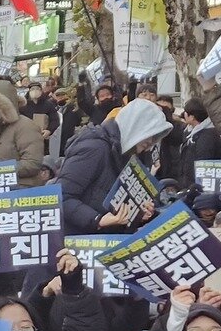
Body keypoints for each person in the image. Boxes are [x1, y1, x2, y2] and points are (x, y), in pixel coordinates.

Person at [59, 99, 170, 235]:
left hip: (104, 240)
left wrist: (139, 214)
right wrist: (97, 219)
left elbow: (116, 209)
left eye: (155, 137)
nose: (151, 142)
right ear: (135, 126)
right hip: (79, 243)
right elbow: (61, 196)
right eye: (149, 134)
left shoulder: (126, 153)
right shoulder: (95, 148)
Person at [20, 80, 61, 152]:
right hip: (26, 139)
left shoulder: (48, 104)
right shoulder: (23, 105)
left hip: (42, 139)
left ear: (41, 91)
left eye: (37, 89)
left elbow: (55, 120)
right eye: (32, 89)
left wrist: (49, 130)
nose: (35, 91)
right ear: (29, 91)